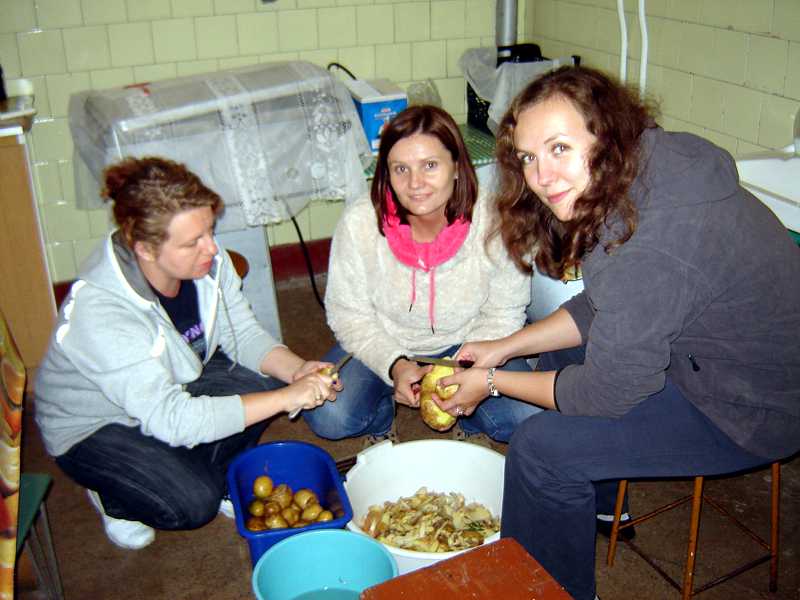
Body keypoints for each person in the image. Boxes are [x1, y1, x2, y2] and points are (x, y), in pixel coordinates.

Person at [439, 66, 800, 600]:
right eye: (528, 157)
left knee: (539, 451)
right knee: (561, 362)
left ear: (605, 133)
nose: (541, 176)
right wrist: (507, 346)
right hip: (715, 356)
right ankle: (603, 500)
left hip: (753, 406)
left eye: (559, 148)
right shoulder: (649, 167)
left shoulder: (653, 241)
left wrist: (492, 382)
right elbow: (609, 304)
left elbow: (606, 391)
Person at [34, 157, 339, 550]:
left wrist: (297, 371)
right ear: (145, 248)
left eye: (210, 230)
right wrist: (286, 398)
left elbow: (244, 335)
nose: (212, 247)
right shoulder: (101, 312)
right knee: (193, 502)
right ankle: (115, 496)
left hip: (171, 382)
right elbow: (173, 419)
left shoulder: (208, 262)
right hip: (94, 425)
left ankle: (186, 465)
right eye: (193, 241)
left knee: (265, 379)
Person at [303, 105, 537, 445]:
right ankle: (381, 419)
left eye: (430, 165)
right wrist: (395, 364)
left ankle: (470, 421)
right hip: (386, 338)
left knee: (529, 416)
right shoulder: (359, 223)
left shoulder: (498, 221)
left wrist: (465, 369)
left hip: (471, 342)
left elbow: (506, 311)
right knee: (329, 414)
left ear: (456, 166)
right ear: (386, 174)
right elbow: (347, 314)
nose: (415, 184)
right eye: (401, 169)